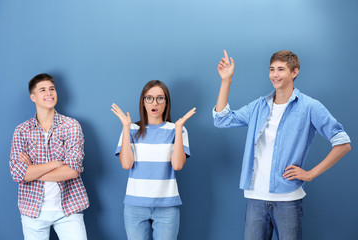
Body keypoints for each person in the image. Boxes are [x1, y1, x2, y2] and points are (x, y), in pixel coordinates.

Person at [212, 50, 351, 240]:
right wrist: (226, 80)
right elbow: (222, 120)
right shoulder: (259, 106)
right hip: (255, 197)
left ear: (294, 72)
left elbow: (342, 142)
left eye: (280, 69)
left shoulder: (309, 107)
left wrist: (310, 174)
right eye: (271, 69)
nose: (274, 75)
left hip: (288, 199)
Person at [112, 80, 195, 240]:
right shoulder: (131, 130)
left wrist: (178, 130)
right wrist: (125, 127)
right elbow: (126, 164)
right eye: (149, 98)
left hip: (167, 206)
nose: (154, 103)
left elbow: (177, 165)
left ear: (166, 102)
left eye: (160, 98)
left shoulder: (178, 129)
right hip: (134, 205)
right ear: (143, 102)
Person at [9, 73, 89, 240]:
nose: (49, 93)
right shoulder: (22, 130)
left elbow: (73, 170)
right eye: (43, 90)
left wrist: (31, 171)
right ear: (33, 97)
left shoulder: (71, 126)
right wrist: (55, 164)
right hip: (32, 210)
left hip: (69, 208)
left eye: (52, 89)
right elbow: (17, 173)